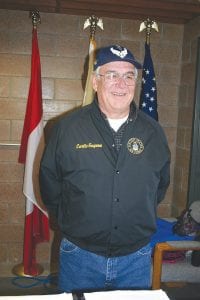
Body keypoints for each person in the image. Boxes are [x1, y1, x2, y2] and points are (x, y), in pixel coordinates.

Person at [39, 45, 171, 294]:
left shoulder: (154, 132)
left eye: (129, 76)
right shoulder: (66, 129)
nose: (121, 83)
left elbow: (160, 186)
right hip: (80, 256)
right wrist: (75, 220)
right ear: (95, 82)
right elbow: (50, 184)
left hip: (136, 258)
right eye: (111, 75)